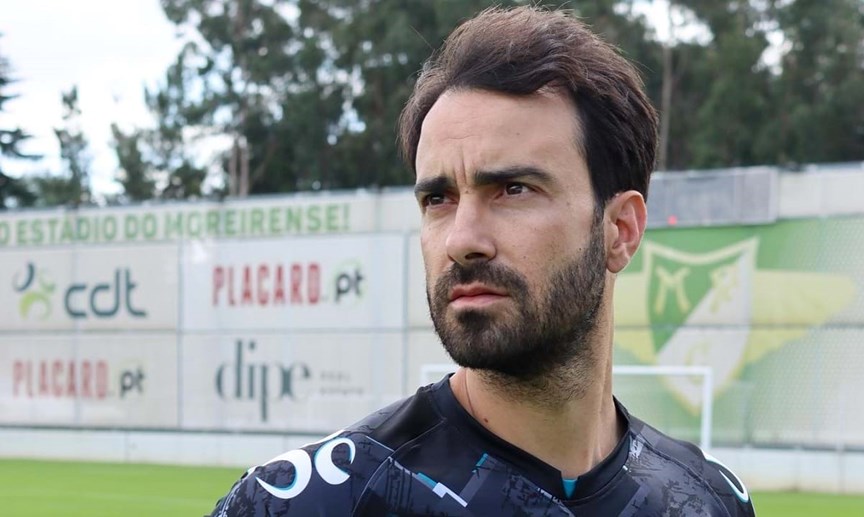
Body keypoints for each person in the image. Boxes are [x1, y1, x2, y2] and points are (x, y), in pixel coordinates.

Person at [209, 6, 755, 516]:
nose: (462, 240)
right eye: (438, 199)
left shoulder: (707, 500)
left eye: (513, 189)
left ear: (621, 230)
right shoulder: (308, 501)